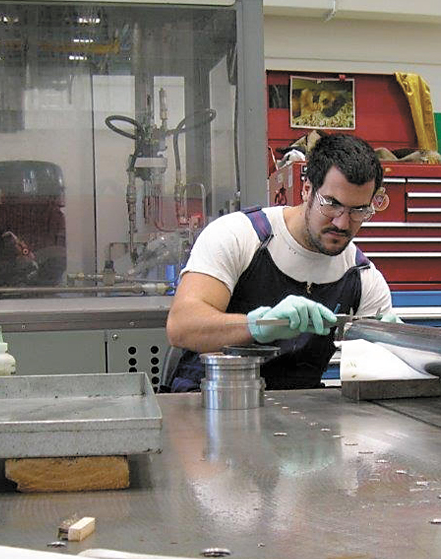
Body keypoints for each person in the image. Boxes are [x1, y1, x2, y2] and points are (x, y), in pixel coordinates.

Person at [166, 133, 398, 392]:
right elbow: (181, 327)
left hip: (300, 418)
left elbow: (377, 383)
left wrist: (395, 346)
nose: (342, 223)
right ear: (307, 189)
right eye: (332, 204)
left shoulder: (362, 277)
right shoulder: (240, 235)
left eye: (358, 210)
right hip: (210, 404)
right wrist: (258, 325)